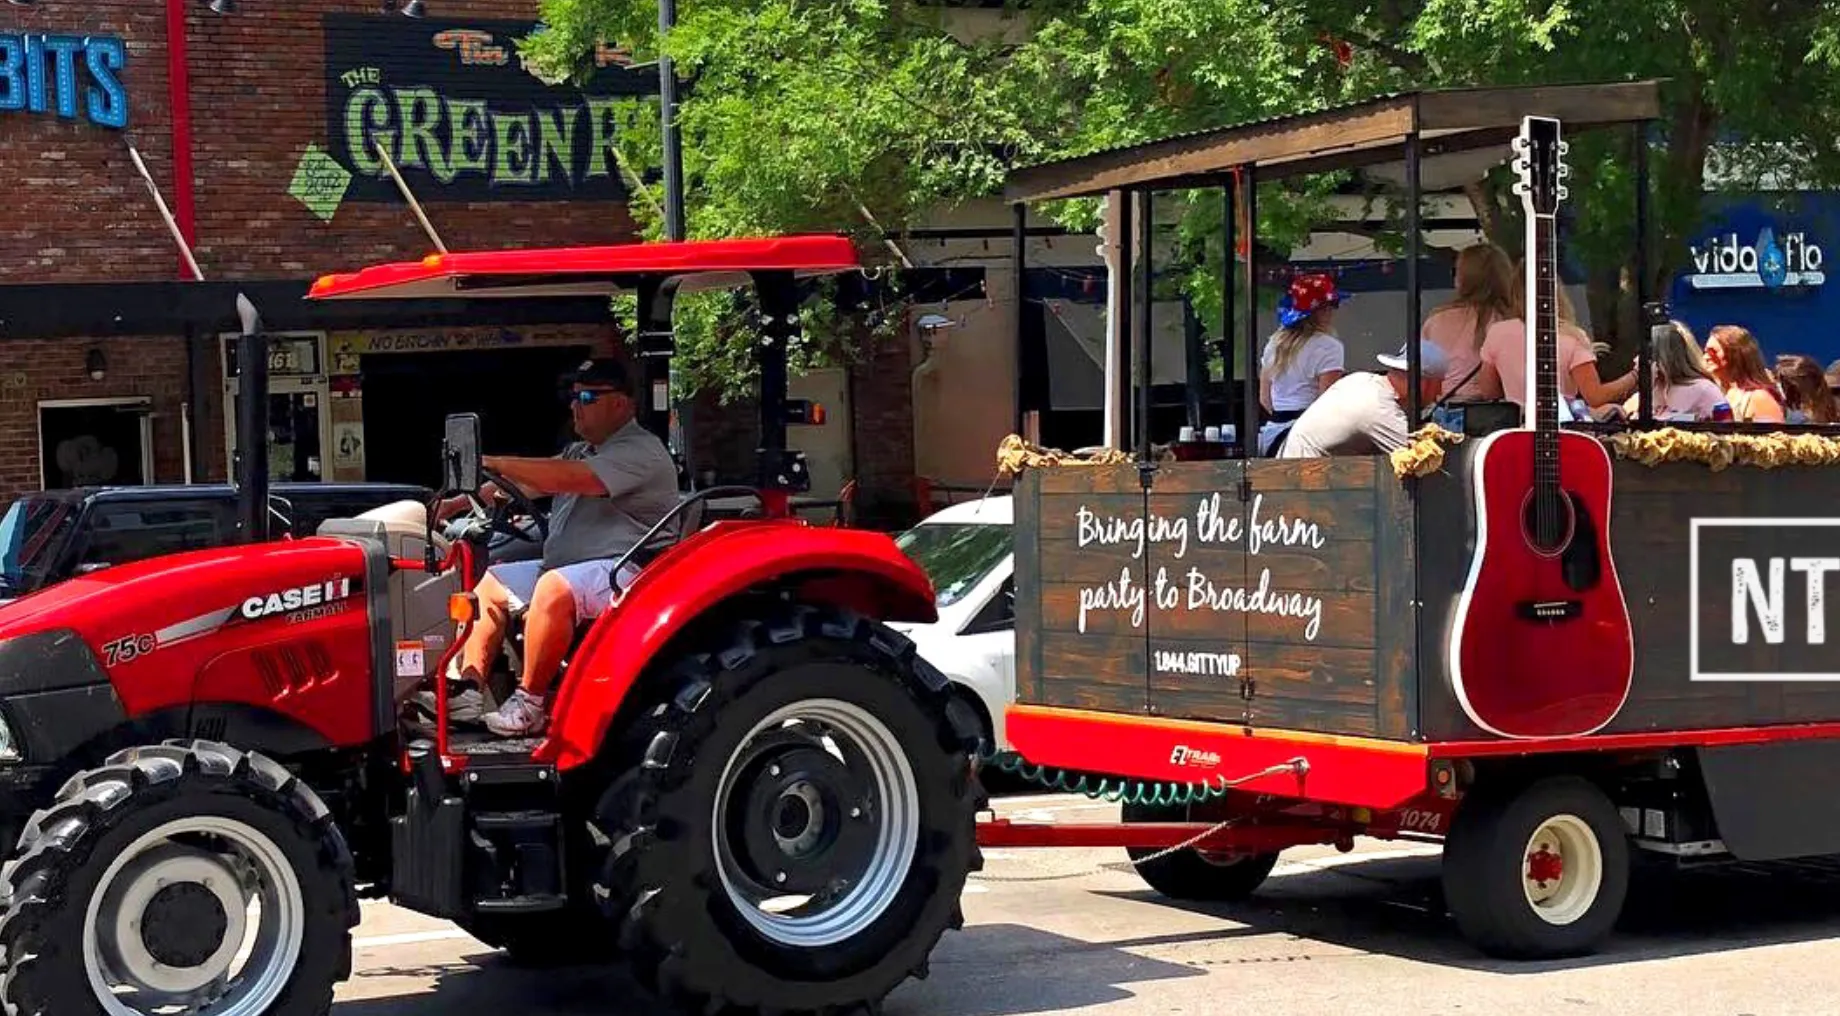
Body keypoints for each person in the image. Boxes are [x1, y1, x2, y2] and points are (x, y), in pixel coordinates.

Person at [428, 357, 680, 737]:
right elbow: (535, 483)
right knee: (492, 584)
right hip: (581, 565)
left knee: (553, 588)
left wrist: (497, 461)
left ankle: (531, 703)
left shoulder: (640, 451)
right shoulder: (581, 451)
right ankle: (468, 690)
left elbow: (575, 480)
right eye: (574, 396)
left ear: (622, 404)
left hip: (630, 570)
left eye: (589, 396)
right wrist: (454, 504)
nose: (575, 405)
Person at [1473, 260, 1637, 412]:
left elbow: (1489, 392)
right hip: (1562, 425)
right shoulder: (1573, 337)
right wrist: (1635, 375)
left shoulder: (1497, 332)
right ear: (1556, 291)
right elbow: (1595, 397)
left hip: (1516, 428)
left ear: (1515, 293)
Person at [1279, 339, 1447, 458]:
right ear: (1422, 383)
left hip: (1307, 474)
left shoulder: (1362, 380)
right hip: (1302, 485)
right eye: (1437, 384)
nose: (1439, 392)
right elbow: (1425, 455)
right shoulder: (1377, 408)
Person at [1421, 242, 1515, 401]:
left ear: (1462, 278)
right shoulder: (1511, 321)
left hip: (1446, 412)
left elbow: (1424, 375)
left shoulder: (1436, 320)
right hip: (1498, 411)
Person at [1260, 273, 1346, 420]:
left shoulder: (1274, 343)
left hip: (1274, 429)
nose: (1332, 311)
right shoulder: (1329, 346)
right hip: (1310, 429)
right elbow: (1327, 401)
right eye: (1330, 305)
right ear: (1320, 311)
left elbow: (1264, 399)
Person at [1621, 320, 1727, 421]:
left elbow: (1728, 431)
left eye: (1645, 354)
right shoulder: (1642, 396)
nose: (1636, 360)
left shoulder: (1705, 390)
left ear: (1664, 357)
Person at [1703, 325, 1787, 423]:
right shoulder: (1718, 394)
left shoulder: (1759, 398)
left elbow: (1775, 436)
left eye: (1712, 352)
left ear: (1735, 354)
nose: (1706, 357)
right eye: (1705, 352)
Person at [1775, 353, 1837, 424]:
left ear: (1813, 379)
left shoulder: (1830, 402)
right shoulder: (1783, 406)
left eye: (1794, 379)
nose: (1788, 386)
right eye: (1782, 380)